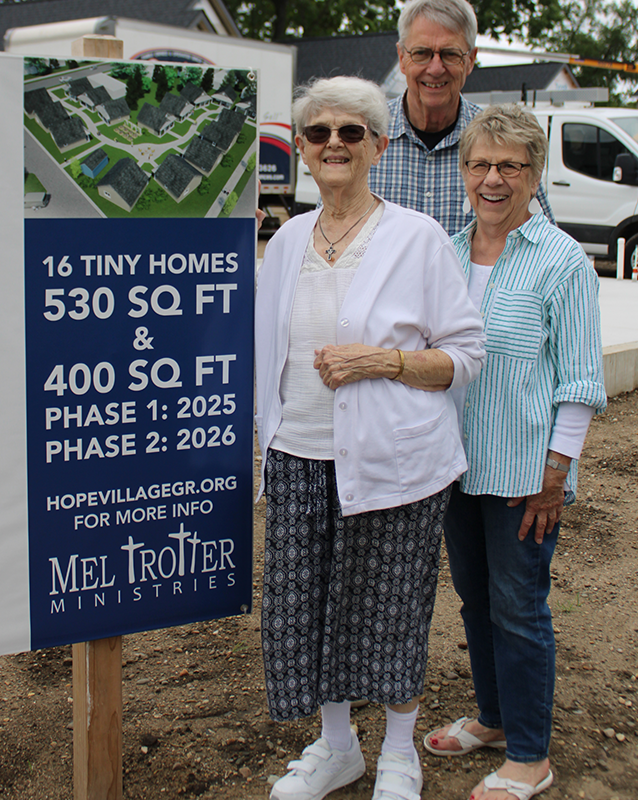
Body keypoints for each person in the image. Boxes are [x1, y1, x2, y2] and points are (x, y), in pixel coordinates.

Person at [255, 75, 485, 800]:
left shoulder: (415, 238)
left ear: (378, 146)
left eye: (350, 133)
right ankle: (336, 747)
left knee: (389, 610)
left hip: (396, 463)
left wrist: (382, 361)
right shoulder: (287, 239)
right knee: (309, 608)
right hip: (298, 457)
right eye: (318, 133)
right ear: (301, 149)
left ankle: (397, 755)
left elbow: (466, 354)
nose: (333, 145)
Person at [422, 105, 607, 800]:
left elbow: (581, 380)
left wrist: (555, 476)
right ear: (464, 171)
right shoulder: (445, 249)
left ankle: (531, 756)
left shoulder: (562, 261)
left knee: (519, 608)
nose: (492, 179)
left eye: (510, 166)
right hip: (453, 466)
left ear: (534, 176)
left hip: (524, 473)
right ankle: (495, 720)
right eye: (479, 164)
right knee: (474, 601)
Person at [368, 0, 553, 235]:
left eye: (450, 54)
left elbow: (545, 243)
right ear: (402, 57)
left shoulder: (505, 141)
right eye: (422, 53)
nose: (435, 68)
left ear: (470, 60)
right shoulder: (361, 138)